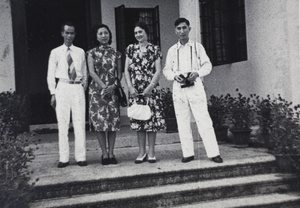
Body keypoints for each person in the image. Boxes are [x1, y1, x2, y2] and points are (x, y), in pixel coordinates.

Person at [163, 17, 223, 163]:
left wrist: (197, 73)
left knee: (203, 120)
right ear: (175, 31)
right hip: (179, 89)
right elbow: (166, 70)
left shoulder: (197, 47)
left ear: (189, 29)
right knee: (182, 121)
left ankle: (213, 152)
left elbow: (207, 65)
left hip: (195, 87)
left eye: (184, 28)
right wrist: (174, 76)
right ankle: (188, 153)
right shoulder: (172, 50)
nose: (182, 31)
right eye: (179, 28)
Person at [47, 22, 88, 168]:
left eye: (72, 33)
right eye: (67, 33)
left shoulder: (80, 51)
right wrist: (53, 93)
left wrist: (83, 86)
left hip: (77, 87)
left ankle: (81, 157)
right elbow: (50, 74)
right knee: (63, 123)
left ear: (75, 34)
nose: (69, 36)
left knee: (79, 122)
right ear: (62, 33)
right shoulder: (55, 52)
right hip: (62, 87)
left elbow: (84, 72)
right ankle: (64, 158)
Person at [124, 21, 165, 164]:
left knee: (151, 122)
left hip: (150, 89)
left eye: (140, 32)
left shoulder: (155, 49)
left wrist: (150, 87)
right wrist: (130, 87)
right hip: (135, 90)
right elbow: (126, 70)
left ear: (146, 32)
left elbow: (158, 70)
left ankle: (151, 152)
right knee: (139, 121)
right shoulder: (130, 49)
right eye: (135, 33)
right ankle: (141, 152)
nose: (138, 35)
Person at [87, 24, 122, 165]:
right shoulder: (91, 53)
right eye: (100, 33)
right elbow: (91, 72)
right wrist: (104, 87)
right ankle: (104, 154)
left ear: (109, 35)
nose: (103, 36)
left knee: (112, 122)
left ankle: (112, 153)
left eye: (106, 33)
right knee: (100, 123)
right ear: (96, 36)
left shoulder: (116, 53)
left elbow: (119, 73)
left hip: (112, 90)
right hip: (97, 91)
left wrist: (113, 86)